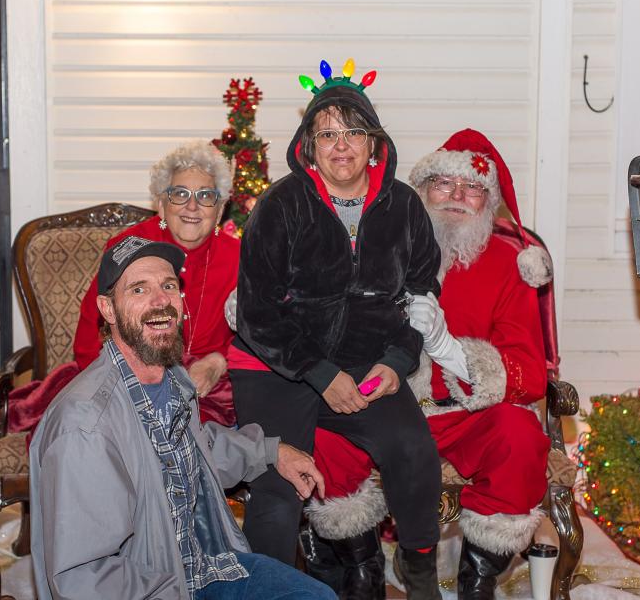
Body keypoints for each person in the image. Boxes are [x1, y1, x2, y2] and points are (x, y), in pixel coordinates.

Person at [307, 129, 554, 600]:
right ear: (419, 192)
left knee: (520, 439)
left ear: (490, 202)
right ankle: (364, 572)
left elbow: (530, 371)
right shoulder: (372, 248)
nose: (458, 197)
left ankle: (476, 582)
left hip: (463, 416)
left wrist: (449, 350)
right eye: (443, 184)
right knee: (324, 437)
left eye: (474, 188)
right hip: (377, 406)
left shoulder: (508, 264)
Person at [229, 59, 444, 599]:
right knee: (279, 489)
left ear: (374, 143)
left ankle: (419, 576)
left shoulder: (404, 208)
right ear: (309, 145)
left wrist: (398, 362)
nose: (340, 143)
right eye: (327, 132)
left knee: (414, 449)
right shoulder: (281, 206)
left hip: (367, 363)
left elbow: (421, 295)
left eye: (352, 131)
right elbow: (256, 314)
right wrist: (320, 373)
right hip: (279, 369)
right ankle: (267, 590)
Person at [30, 236, 336, 600]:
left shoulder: (171, 378)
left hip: (200, 568)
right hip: (153, 590)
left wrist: (271, 452)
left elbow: (195, 453)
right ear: (108, 309)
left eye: (169, 285)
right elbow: (85, 580)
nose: (160, 300)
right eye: (139, 289)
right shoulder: (85, 426)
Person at [72, 141, 241, 426]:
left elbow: (259, 336)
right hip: (130, 384)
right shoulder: (126, 249)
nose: (192, 206)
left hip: (211, 393)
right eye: (180, 194)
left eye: (205, 195)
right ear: (161, 205)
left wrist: (218, 361)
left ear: (220, 209)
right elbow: (91, 333)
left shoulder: (240, 257)